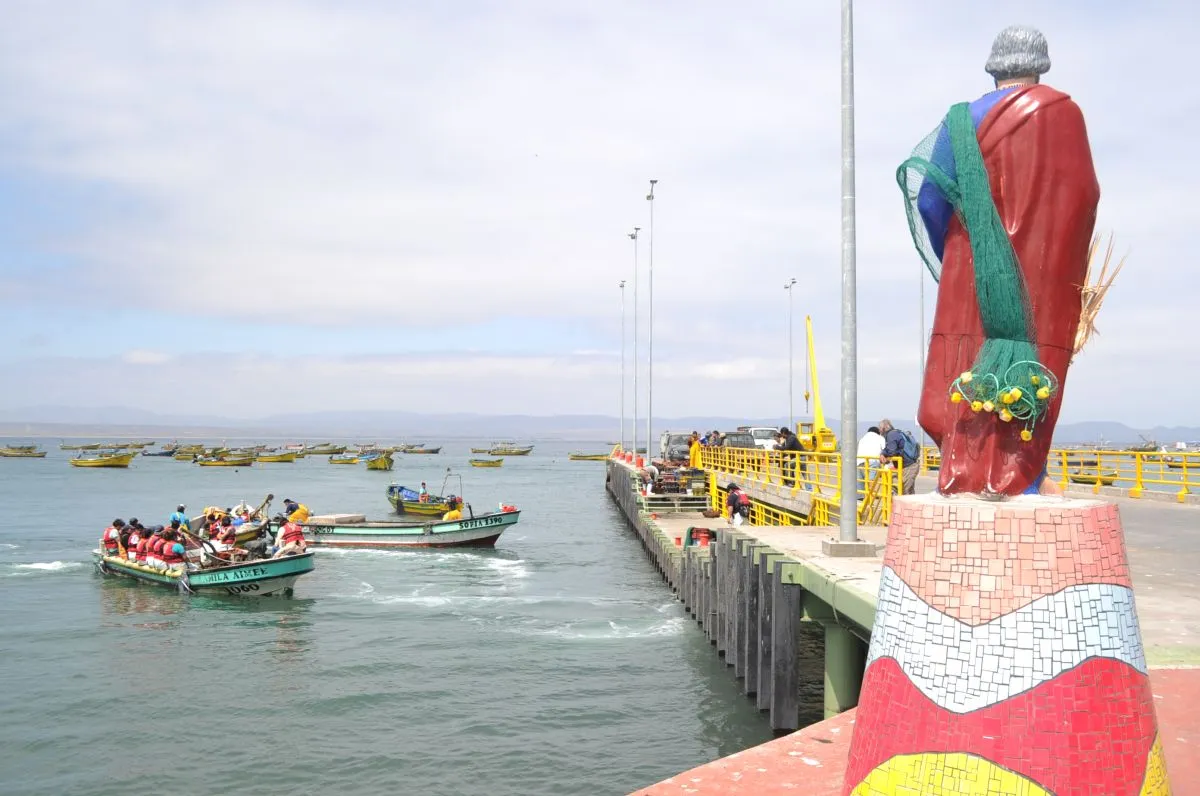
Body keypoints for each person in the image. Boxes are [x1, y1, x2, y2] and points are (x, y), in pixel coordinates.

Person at [905, 25, 1099, 496]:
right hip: (1042, 279)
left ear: (993, 68)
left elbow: (930, 197)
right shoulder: (1065, 114)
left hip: (969, 271)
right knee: (1031, 367)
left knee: (962, 363)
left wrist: (954, 256)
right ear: (1042, 66)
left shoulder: (959, 123)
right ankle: (1023, 479)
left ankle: (963, 473)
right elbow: (1084, 195)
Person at [879, 419, 919, 495]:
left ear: (883, 428)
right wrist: (883, 453)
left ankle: (907, 506)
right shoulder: (895, 433)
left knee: (906, 491)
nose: (879, 431)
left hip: (908, 466)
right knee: (907, 490)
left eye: (880, 429)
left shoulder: (891, 435)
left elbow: (892, 452)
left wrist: (886, 458)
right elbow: (889, 448)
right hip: (909, 465)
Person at [857, 426, 887, 492]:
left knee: (861, 481)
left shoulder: (862, 439)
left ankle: (861, 497)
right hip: (873, 461)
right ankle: (872, 493)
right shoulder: (880, 438)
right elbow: (885, 450)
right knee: (871, 479)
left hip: (860, 461)